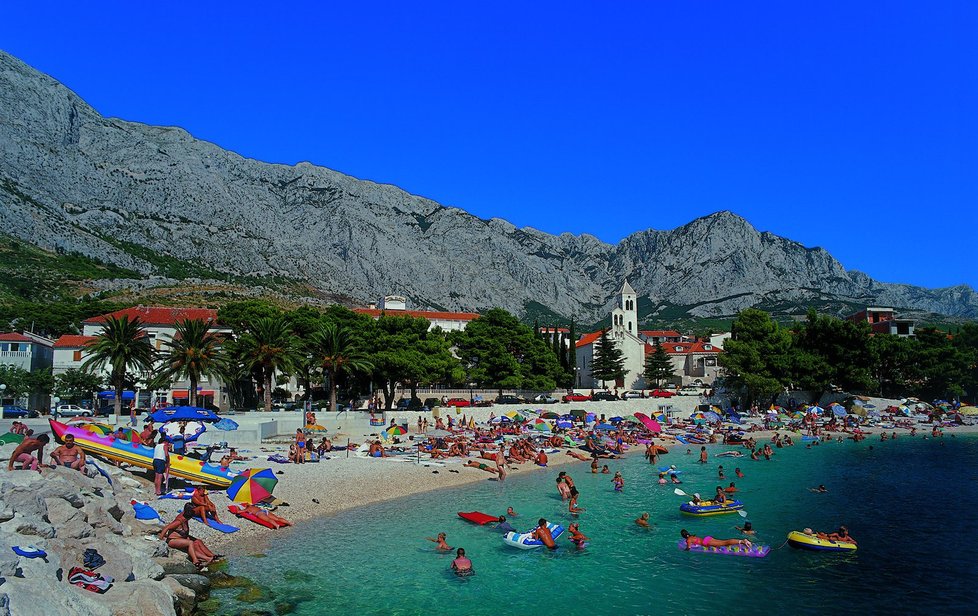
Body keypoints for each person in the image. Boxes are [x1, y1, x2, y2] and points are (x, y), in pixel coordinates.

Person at [159, 503, 220, 569]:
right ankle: (195, 561)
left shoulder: (185, 519)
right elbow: (166, 528)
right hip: (172, 540)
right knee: (190, 543)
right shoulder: (179, 521)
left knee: (198, 541)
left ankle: (211, 556)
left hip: (181, 538)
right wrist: (161, 540)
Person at [680, 529, 752, 550]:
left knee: (725, 543)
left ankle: (742, 541)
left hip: (707, 542)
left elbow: (688, 548)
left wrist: (685, 551)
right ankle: (741, 543)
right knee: (724, 542)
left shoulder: (688, 540)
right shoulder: (692, 536)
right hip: (707, 538)